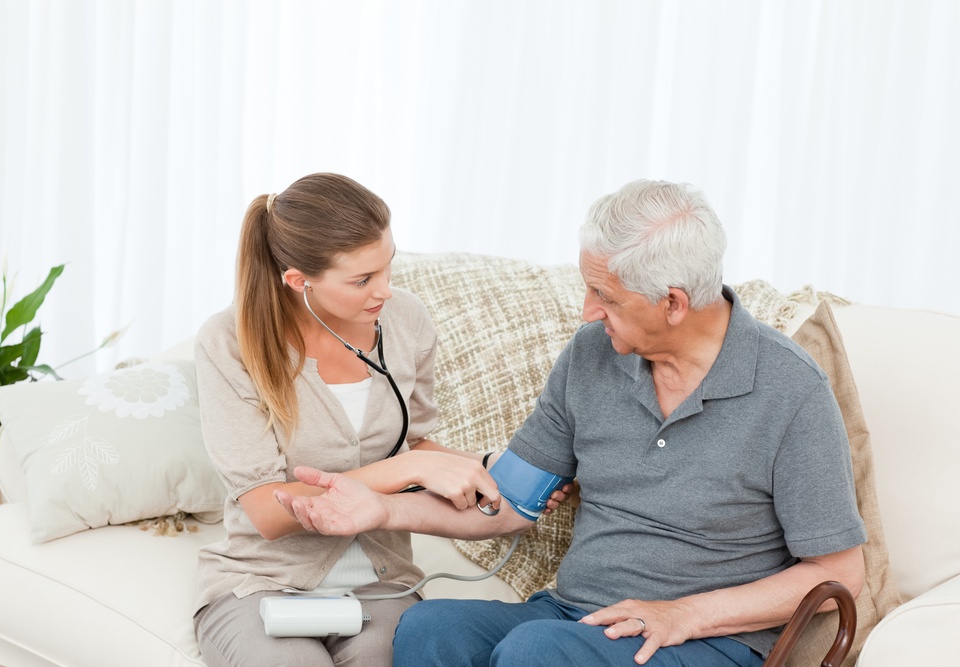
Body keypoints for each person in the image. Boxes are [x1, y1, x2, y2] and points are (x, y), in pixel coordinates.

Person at [276, 179, 867, 667]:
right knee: (432, 628)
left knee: (537, 652)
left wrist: (685, 614)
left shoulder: (790, 391)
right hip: (575, 617)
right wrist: (382, 509)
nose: (588, 312)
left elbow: (839, 573)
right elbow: (508, 502)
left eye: (603, 295)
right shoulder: (592, 356)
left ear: (674, 302)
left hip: (704, 640)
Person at [192, 173, 519, 667]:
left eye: (388, 267)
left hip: (382, 584)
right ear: (299, 280)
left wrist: (492, 467)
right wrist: (403, 470)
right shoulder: (228, 343)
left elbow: (413, 444)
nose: (385, 291)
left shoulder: (406, 320)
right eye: (363, 280)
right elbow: (267, 511)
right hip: (262, 580)